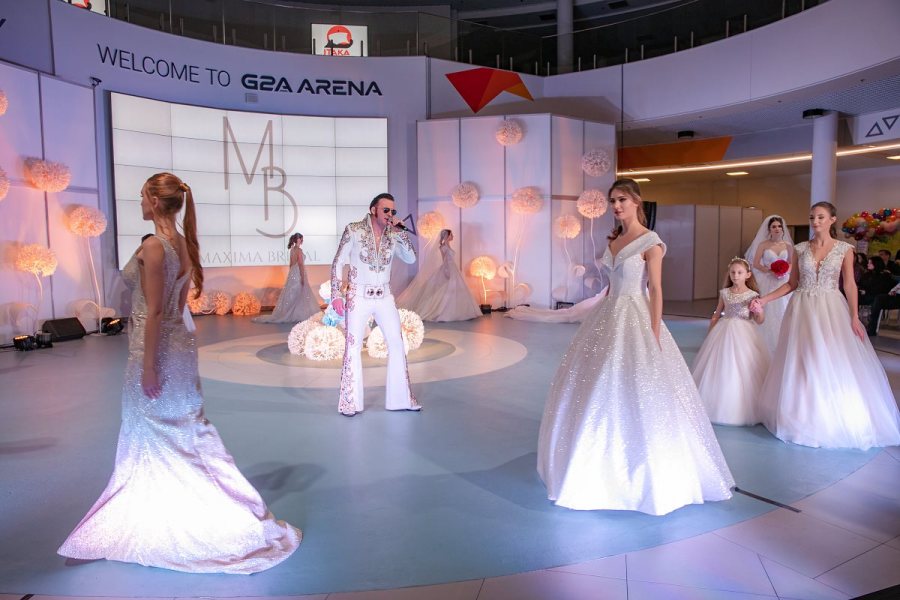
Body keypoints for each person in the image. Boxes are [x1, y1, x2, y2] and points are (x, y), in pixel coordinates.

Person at [58, 173, 301, 573]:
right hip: (178, 351)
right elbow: (175, 306)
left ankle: (150, 522)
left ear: (155, 202)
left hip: (155, 353)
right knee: (183, 432)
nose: (139, 202)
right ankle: (176, 512)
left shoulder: (155, 247)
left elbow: (155, 311)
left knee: (155, 434)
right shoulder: (183, 243)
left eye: (142, 196)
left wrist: (149, 366)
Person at [537, 178, 734, 515]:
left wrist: (653, 331)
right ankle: (593, 457)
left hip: (636, 315)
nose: (616, 206)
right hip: (608, 313)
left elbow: (656, 289)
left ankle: (644, 468)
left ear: (637, 202)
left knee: (639, 385)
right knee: (596, 383)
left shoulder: (651, 242)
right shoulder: (613, 240)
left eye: (622, 200)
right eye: (613, 200)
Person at [751, 201, 900, 450]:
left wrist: (854, 316)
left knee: (829, 358)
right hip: (802, 308)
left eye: (820, 217)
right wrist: (764, 300)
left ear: (832, 220)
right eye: (812, 217)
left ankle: (831, 416)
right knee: (802, 360)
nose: (815, 221)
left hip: (831, 308)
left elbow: (849, 285)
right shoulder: (800, 248)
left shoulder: (844, 249)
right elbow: (792, 284)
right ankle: (802, 416)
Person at [331, 192, 420, 417]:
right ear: (373, 210)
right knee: (353, 347)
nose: (390, 214)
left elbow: (411, 258)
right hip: (358, 296)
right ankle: (350, 402)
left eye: (393, 211)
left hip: (385, 296)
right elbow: (338, 261)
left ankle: (401, 400)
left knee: (397, 344)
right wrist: (336, 295)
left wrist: (401, 233)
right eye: (386, 210)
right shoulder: (354, 230)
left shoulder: (393, 234)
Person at [692, 257, 769, 426]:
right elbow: (717, 314)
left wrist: (759, 310)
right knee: (722, 365)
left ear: (748, 275)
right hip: (724, 331)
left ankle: (744, 406)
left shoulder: (752, 295)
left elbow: (760, 320)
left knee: (745, 366)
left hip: (745, 332)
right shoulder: (725, 293)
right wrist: (710, 333)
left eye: (740, 272)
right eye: (733, 272)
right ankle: (718, 404)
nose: (735, 275)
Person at [397, 229, 481, 321]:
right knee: (448, 289)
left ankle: (455, 310)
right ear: (447, 236)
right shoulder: (443, 247)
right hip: (449, 268)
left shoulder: (446, 245)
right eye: (451, 235)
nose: (452, 236)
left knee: (453, 289)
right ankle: (446, 311)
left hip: (453, 268)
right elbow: (445, 259)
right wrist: (447, 270)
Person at [745, 215, 793, 353]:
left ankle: (784, 343)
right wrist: (770, 270)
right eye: (774, 226)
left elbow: (791, 263)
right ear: (769, 229)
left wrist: (784, 271)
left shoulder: (788, 246)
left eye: (779, 226)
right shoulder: (763, 245)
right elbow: (755, 264)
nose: (777, 229)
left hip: (784, 280)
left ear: (782, 229)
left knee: (785, 308)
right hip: (768, 279)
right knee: (768, 309)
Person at [254, 233, 320, 323]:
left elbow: (291, 264)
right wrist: (302, 277)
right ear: (298, 239)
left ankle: (290, 313)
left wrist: (291, 274)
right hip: (298, 272)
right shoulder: (299, 250)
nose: (302, 240)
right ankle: (296, 314)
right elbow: (300, 264)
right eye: (301, 239)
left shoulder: (292, 250)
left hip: (293, 273)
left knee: (293, 294)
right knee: (299, 293)